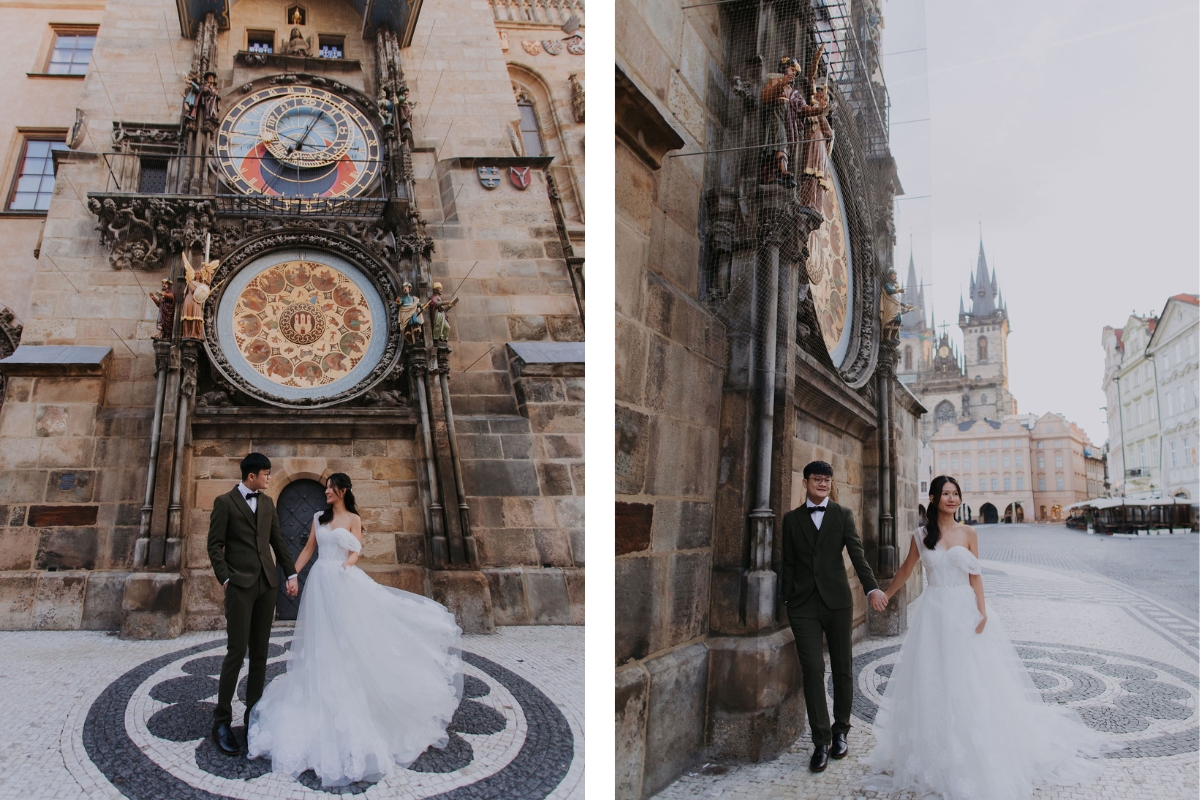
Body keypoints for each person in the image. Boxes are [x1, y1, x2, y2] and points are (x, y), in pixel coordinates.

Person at [863, 475, 1118, 799]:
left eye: (956, 494)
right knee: (933, 678)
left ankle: (976, 745)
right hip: (934, 612)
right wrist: (885, 595)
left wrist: (982, 611)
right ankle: (933, 748)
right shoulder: (920, 535)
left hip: (963, 611)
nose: (952, 499)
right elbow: (906, 570)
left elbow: (975, 575)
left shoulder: (969, 532)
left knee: (971, 680)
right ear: (933, 497)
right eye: (946, 494)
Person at [247, 473, 463, 787]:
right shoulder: (317, 518)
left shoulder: (353, 519)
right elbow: (308, 550)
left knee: (348, 639)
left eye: (330, 488)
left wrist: (347, 566)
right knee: (322, 641)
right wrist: (291, 575)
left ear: (343, 490)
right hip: (320, 583)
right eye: (325, 488)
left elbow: (356, 551)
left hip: (342, 581)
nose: (325, 492)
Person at [781, 460, 889, 773]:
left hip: (837, 603)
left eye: (827, 480)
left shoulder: (842, 515)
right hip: (802, 606)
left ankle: (841, 730)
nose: (823, 484)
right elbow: (786, 562)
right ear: (805, 483)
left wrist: (872, 590)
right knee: (812, 668)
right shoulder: (791, 520)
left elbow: (857, 554)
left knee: (842, 667)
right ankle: (820, 740)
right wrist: (788, 598)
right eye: (817, 480)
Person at [206, 453, 298, 757]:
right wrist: (226, 579)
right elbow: (214, 545)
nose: (269, 478)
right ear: (251, 476)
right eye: (266, 474)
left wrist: (291, 572)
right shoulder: (225, 502)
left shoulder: (268, 504)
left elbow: (278, 541)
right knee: (236, 652)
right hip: (239, 587)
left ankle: (252, 718)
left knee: (260, 655)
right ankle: (221, 721)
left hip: (266, 586)